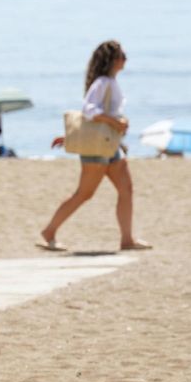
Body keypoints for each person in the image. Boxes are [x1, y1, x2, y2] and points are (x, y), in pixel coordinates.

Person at [39, 40, 152, 252]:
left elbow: (102, 112)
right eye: (122, 56)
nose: (125, 60)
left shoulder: (109, 82)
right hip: (99, 147)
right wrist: (116, 123)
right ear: (114, 60)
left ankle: (127, 239)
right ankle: (49, 231)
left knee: (126, 189)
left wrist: (119, 122)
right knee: (84, 193)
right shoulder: (102, 83)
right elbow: (89, 110)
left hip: (109, 146)